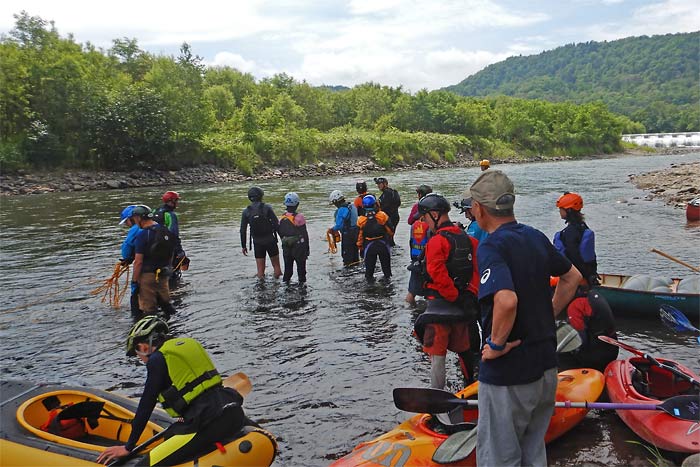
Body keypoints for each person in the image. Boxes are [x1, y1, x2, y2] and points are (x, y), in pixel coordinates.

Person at [468, 170, 581, 467]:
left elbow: (506, 300)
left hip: (510, 372)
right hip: (545, 366)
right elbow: (572, 277)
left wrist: (495, 343)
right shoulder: (534, 236)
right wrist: (548, 313)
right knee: (533, 450)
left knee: (500, 457)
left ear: (479, 209)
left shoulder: (491, 245)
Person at [96, 316, 247, 466]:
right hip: (233, 412)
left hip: (206, 422)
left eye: (137, 354)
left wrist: (129, 446)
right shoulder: (189, 344)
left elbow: (146, 404)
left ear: (143, 347)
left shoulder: (157, 359)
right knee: (170, 434)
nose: (140, 359)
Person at [412, 194, 481, 388]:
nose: (424, 223)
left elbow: (436, 272)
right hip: (464, 307)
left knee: (437, 358)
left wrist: (453, 296)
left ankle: (437, 398)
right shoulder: (469, 239)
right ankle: (470, 387)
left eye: (425, 218)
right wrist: (469, 294)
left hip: (440, 309)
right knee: (465, 352)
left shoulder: (436, 242)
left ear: (434, 214)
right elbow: (476, 271)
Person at [129, 205, 178, 317]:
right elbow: (171, 253)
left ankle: (152, 332)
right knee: (166, 306)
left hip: (147, 277)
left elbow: (138, 262)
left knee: (149, 310)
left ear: (139, 218)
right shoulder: (165, 231)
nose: (134, 222)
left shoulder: (142, 235)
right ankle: (172, 329)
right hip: (163, 274)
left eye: (134, 219)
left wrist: (134, 281)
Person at [557, 289, 619, 372]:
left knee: (557, 355)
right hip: (611, 350)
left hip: (597, 357)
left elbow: (580, 342)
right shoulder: (592, 295)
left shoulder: (576, 305)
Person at [553, 192, 599, 287]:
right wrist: (591, 274)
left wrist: (584, 276)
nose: (559, 211)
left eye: (561, 209)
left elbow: (574, 256)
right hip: (588, 273)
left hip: (575, 278)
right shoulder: (583, 226)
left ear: (568, 210)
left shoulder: (569, 232)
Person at [240, 186, 282, 279]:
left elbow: (243, 230)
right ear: (261, 196)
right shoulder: (267, 208)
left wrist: (243, 246)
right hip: (270, 240)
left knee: (260, 271)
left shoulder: (246, 212)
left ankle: (261, 289)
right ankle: (279, 286)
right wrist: (283, 238)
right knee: (277, 267)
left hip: (257, 242)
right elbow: (276, 224)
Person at [406, 185, 432, 305]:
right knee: (431, 291)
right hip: (428, 258)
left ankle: (411, 312)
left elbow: (410, 221)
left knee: (412, 291)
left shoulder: (414, 223)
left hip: (416, 257)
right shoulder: (434, 208)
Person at [357, 194, 393, 282]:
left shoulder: (361, 220)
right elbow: (391, 231)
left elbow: (359, 238)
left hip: (369, 247)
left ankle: (370, 293)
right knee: (387, 273)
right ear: (375, 204)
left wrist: (360, 248)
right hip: (383, 245)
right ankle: (388, 292)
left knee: (369, 274)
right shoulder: (382, 216)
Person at [153, 191, 187, 285]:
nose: (178, 203)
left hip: (154, 249)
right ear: (172, 201)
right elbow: (174, 235)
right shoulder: (170, 215)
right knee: (172, 275)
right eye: (177, 200)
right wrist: (180, 252)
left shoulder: (155, 211)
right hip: (167, 250)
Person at [278, 192, 310, 284]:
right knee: (301, 270)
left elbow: (280, 233)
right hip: (298, 247)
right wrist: (307, 248)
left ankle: (286, 286)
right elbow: (304, 233)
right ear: (297, 204)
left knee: (288, 270)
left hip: (286, 247)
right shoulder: (300, 217)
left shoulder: (282, 218)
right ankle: (302, 288)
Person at [119, 205, 143, 316]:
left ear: (132, 218)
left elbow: (127, 246)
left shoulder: (135, 229)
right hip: (161, 266)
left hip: (144, 267)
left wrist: (126, 259)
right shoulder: (154, 224)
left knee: (136, 292)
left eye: (126, 222)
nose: (126, 225)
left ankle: (136, 318)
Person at [328, 190, 360, 266]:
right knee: (355, 254)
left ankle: (348, 273)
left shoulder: (341, 210)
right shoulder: (352, 206)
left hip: (347, 235)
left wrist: (332, 230)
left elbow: (339, 225)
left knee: (347, 257)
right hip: (356, 233)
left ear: (336, 202)